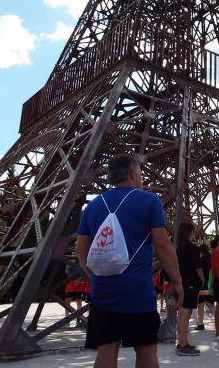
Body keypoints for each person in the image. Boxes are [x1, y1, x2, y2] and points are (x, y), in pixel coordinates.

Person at [75, 153, 182, 368]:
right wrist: (177, 281)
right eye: (140, 173)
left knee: (105, 351)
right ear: (133, 174)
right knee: (146, 351)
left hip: (103, 292)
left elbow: (80, 248)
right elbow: (162, 245)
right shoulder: (149, 201)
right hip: (138, 291)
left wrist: (94, 275)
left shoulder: (94, 205)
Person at [176, 221, 203, 356]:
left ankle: (181, 341)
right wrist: (203, 279)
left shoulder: (178, 248)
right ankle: (183, 345)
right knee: (186, 315)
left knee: (182, 314)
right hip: (191, 283)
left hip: (181, 282)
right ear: (190, 233)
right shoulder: (192, 248)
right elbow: (198, 267)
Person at [196, 244, 215, 330]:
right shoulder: (211, 259)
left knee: (201, 305)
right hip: (210, 285)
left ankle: (201, 323)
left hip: (203, 285)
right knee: (210, 304)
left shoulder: (200, 260)